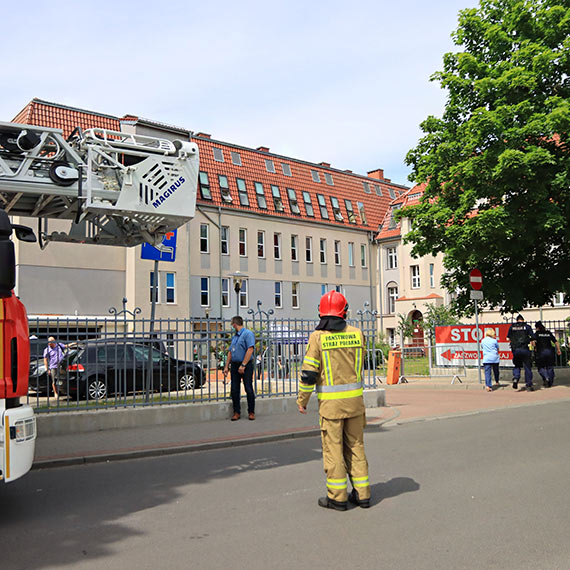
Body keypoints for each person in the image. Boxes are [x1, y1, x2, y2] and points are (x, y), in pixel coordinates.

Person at [297, 290, 370, 511]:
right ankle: (363, 494)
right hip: (355, 404)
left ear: (321, 313)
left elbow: (309, 373)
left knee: (333, 451)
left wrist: (302, 400)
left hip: (331, 407)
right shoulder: (358, 334)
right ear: (344, 311)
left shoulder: (318, 337)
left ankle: (337, 497)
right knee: (356, 447)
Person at [223, 316, 256, 420]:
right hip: (235, 365)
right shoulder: (235, 337)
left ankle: (251, 412)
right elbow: (230, 352)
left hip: (246, 365)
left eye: (232, 325)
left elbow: (250, 349)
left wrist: (243, 365)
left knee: (248, 388)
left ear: (234, 325)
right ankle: (236, 412)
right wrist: (226, 366)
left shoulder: (248, 334)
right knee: (234, 389)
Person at [506, 314, 534, 391]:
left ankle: (516, 378)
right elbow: (533, 337)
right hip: (525, 349)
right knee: (527, 367)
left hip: (516, 350)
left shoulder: (512, 327)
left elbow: (507, 338)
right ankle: (529, 385)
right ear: (523, 320)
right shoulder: (527, 327)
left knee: (517, 365)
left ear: (517, 320)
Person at [534, 321, 561, 388]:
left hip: (541, 352)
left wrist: (535, 348)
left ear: (537, 328)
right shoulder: (548, 333)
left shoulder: (537, 334)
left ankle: (546, 377)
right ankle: (550, 382)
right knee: (550, 367)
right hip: (549, 352)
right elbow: (556, 342)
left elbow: (533, 342)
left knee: (541, 367)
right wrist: (558, 350)